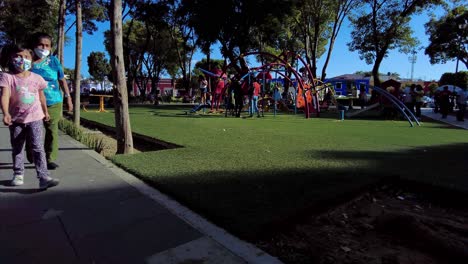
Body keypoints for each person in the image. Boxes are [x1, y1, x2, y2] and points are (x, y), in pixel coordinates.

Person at [0, 44, 59, 189]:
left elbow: (41, 97)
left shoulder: (37, 78)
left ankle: (43, 177)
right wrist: (6, 113)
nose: (22, 59)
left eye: (26, 56)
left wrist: (45, 112)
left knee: (38, 147)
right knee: (18, 147)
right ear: (10, 59)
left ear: (31, 59)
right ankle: (18, 173)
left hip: (35, 117)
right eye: (18, 56)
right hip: (16, 120)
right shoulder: (7, 77)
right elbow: (5, 96)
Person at [28, 32, 73, 170]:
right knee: (32, 131)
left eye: (47, 45)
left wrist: (68, 97)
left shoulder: (54, 61)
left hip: (54, 101)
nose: (44, 48)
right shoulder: (27, 61)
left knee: (51, 130)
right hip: (32, 102)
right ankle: (32, 155)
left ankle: (49, 158)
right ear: (35, 45)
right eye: (41, 44)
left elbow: (61, 79)